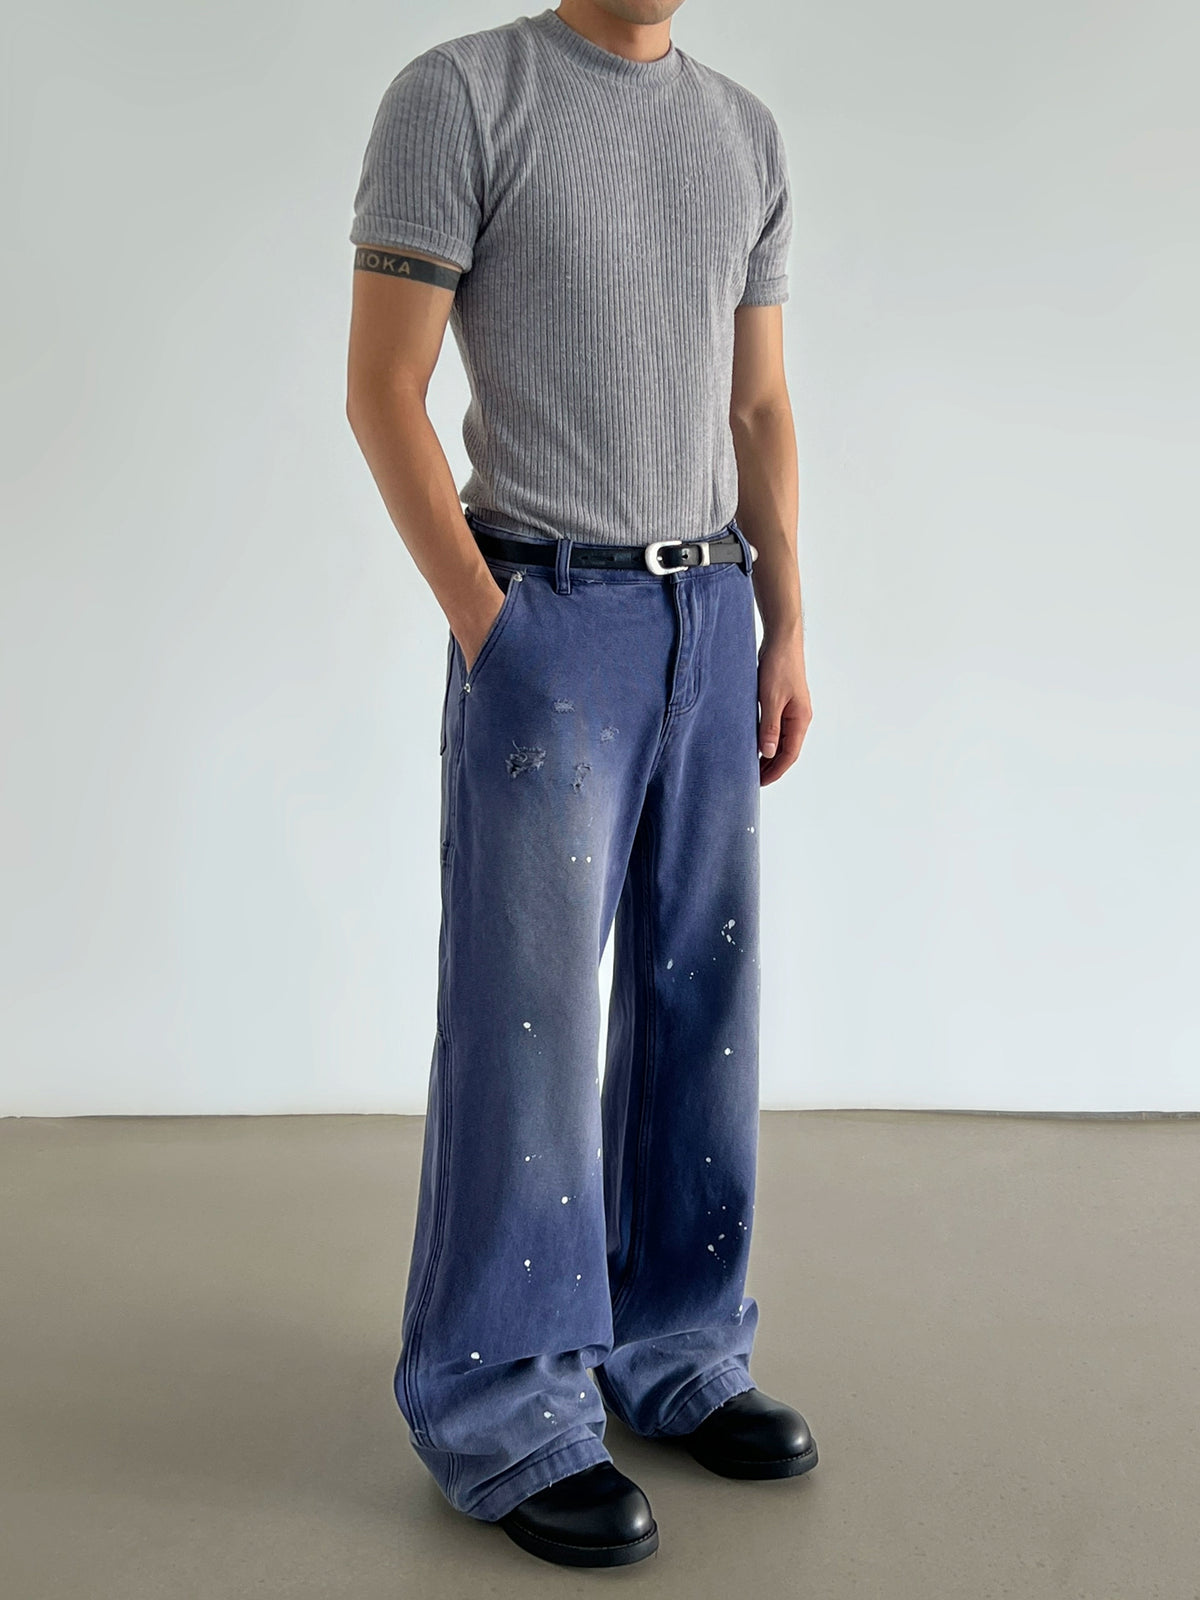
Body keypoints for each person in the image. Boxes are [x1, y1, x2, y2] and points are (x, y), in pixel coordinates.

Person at [346, 0, 815, 1570]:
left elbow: (757, 404)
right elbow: (384, 386)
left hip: (711, 608)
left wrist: (785, 622)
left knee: (702, 997)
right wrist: (494, 627)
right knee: (529, 1024)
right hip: (550, 610)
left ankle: (676, 1350)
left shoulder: (742, 132)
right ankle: (499, 1408)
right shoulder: (460, 96)